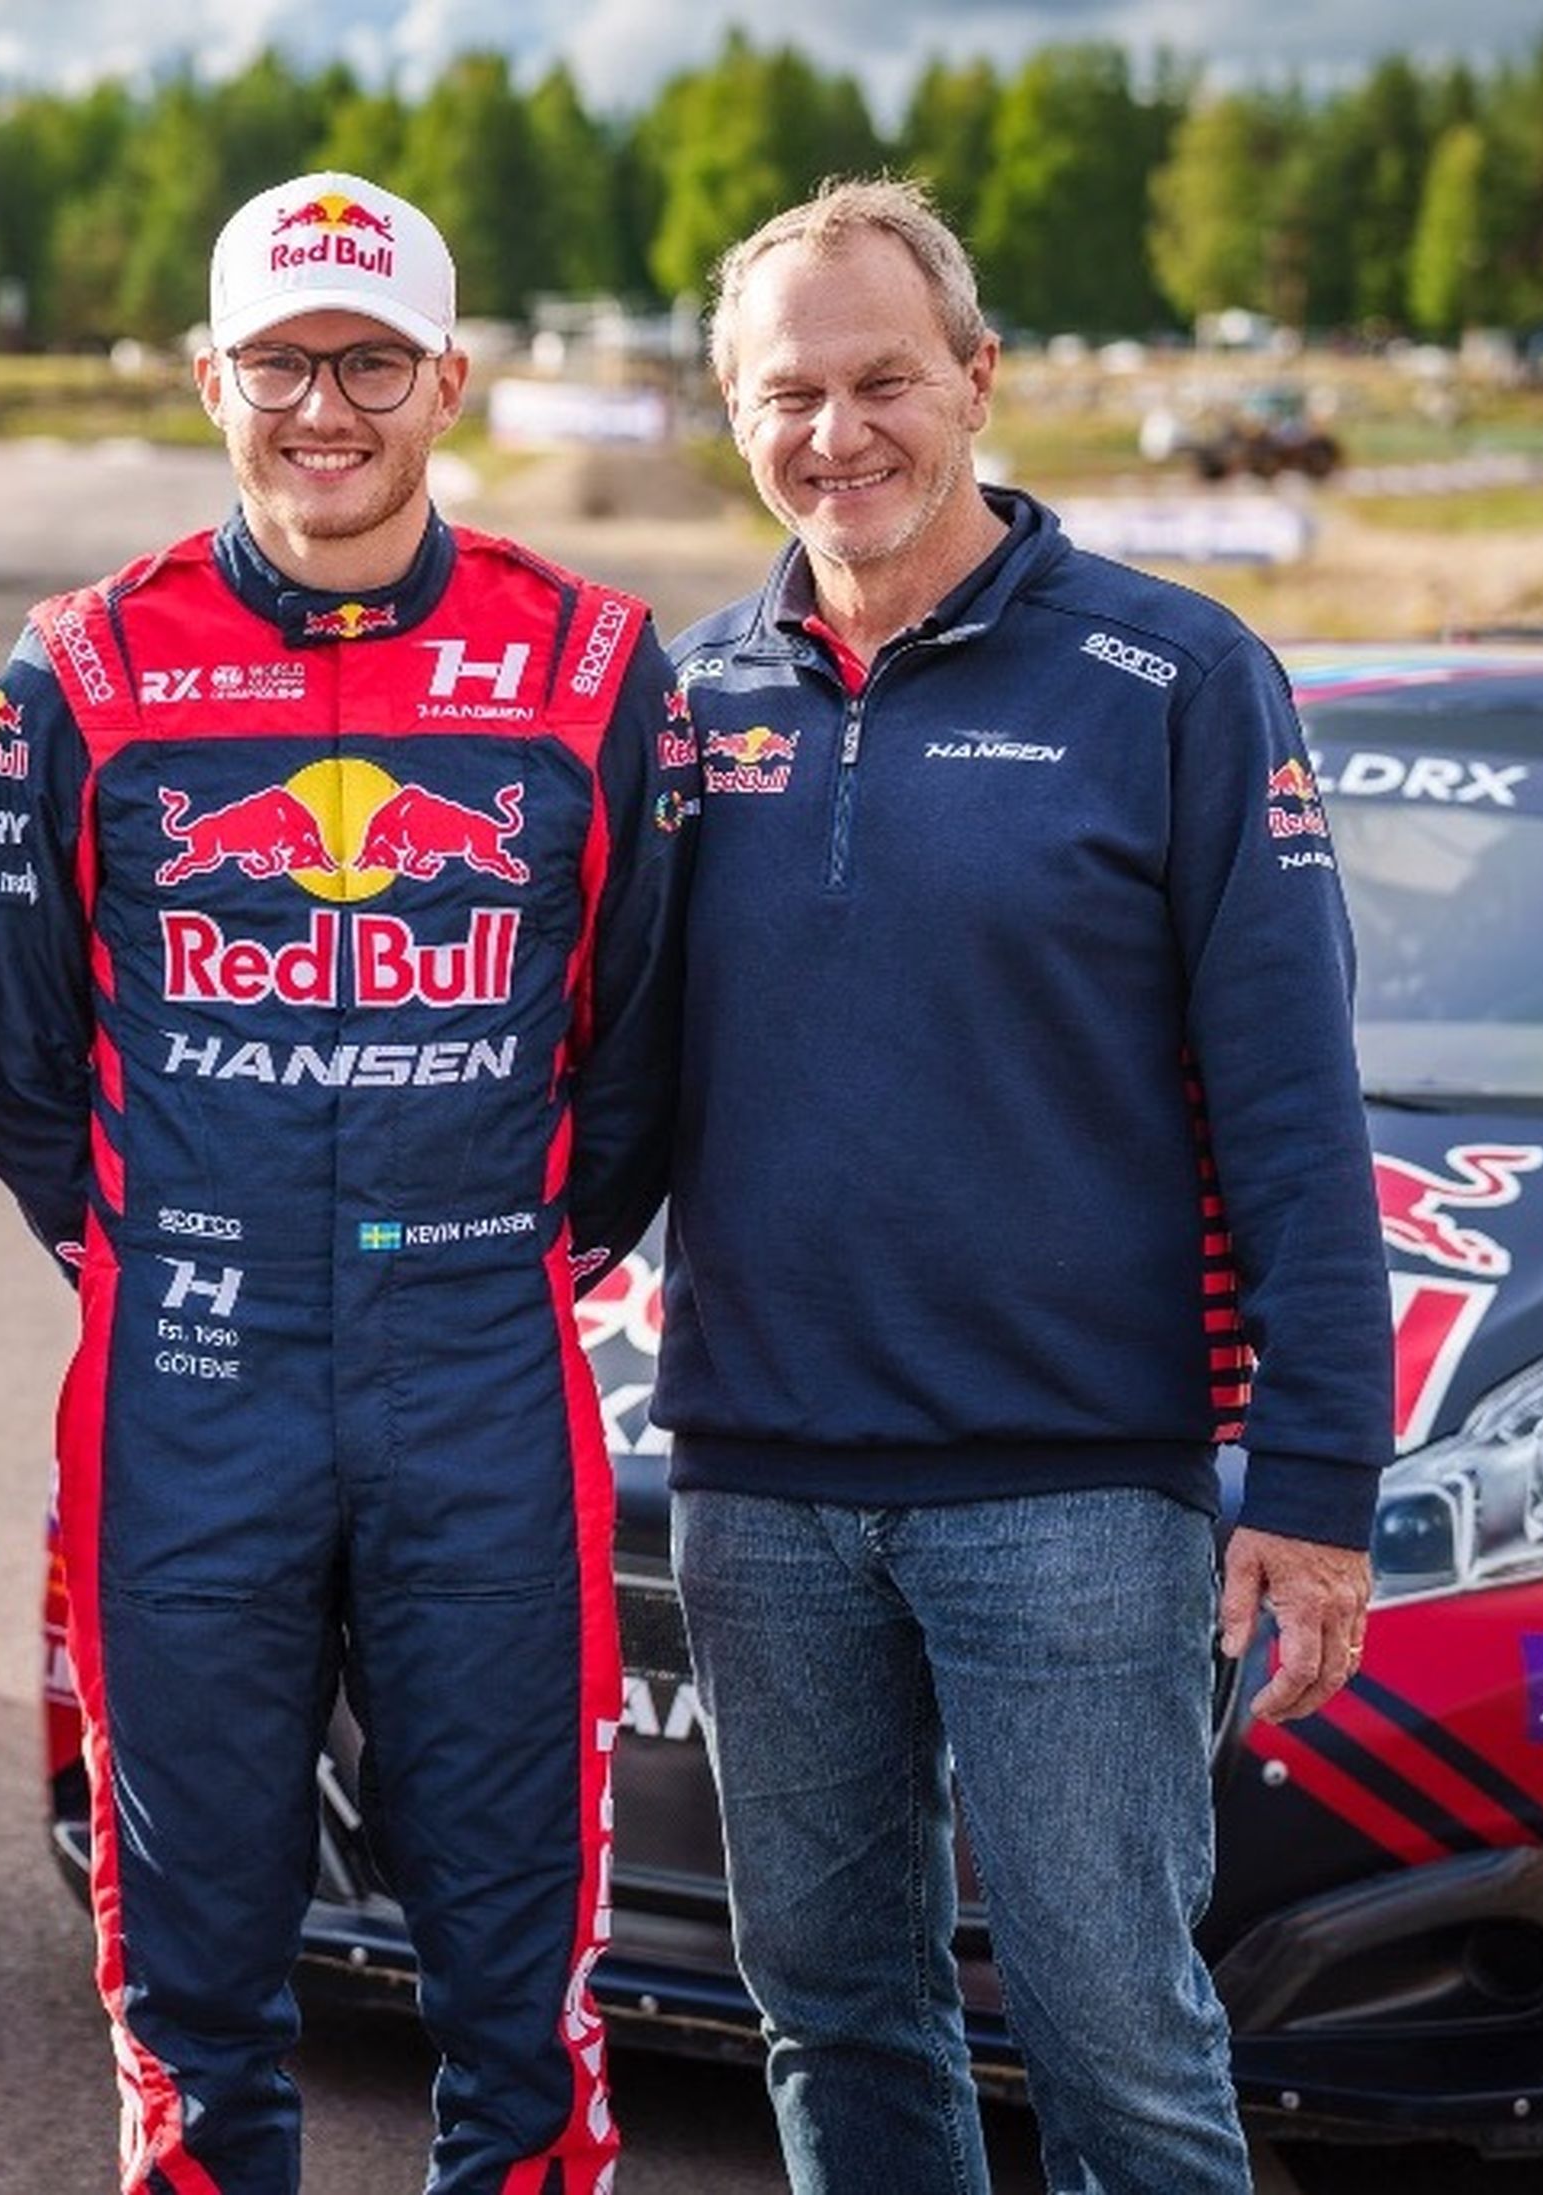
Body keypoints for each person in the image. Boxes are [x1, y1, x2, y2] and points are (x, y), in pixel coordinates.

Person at [0, 170, 692, 2192]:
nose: (324, 409)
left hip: (485, 1373)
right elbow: (21, 1076)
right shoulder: (77, 675)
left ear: (449, 378)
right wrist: (185, 1256)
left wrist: (501, 1252)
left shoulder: (593, 663)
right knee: (191, 1983)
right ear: (211, 379)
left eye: (371, 361)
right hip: (186, 1383)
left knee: (515, 1984)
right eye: (281, 363)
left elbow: (634, 1062)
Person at [659, 177, 1391, 2193]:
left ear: (976, 382)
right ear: (735, 417)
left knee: (1118, 2047)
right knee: (830, 2015)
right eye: (786, 393)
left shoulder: (1172, 680)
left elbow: (1298, 1113)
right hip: (761, 1491)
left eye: (884, 377)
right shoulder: (685, 700)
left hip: (1077, 1496)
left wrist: (1319, 1491)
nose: (838, 433)